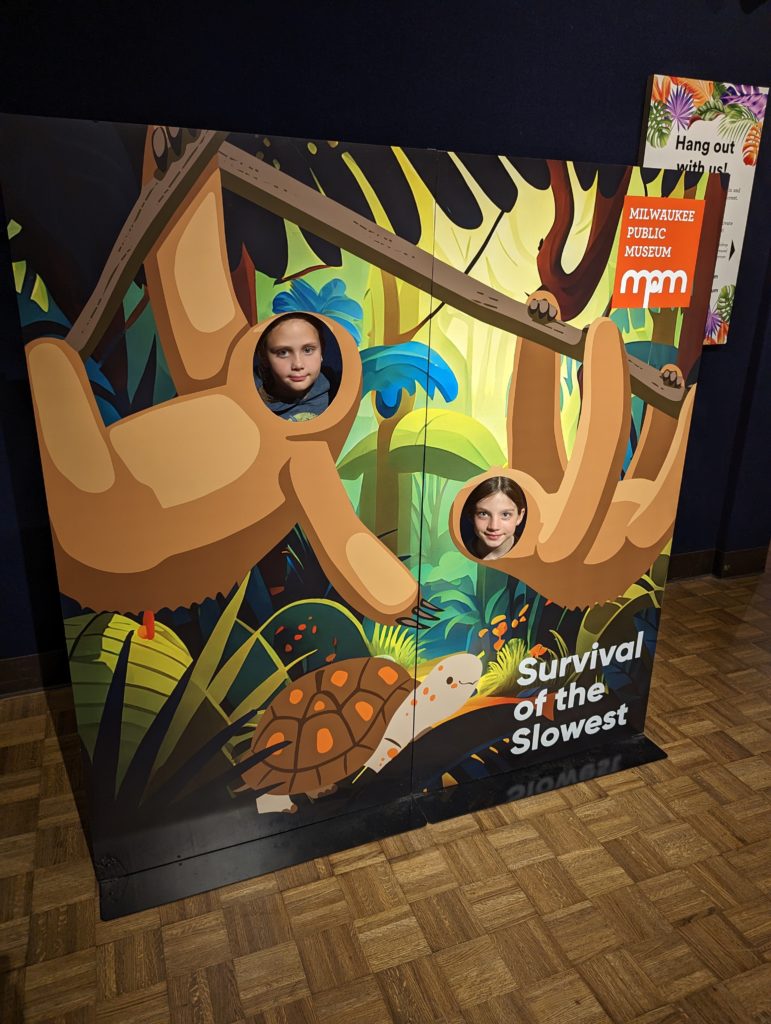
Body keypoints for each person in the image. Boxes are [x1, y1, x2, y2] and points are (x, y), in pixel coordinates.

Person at [254, 313, 335, 421]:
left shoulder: (337, 390)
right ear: (264, 357)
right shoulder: (246, 394)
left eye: (308, 350)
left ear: (321, 352)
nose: (298, 365)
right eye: (283, 352)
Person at [462, 475, 526, 561]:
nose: (494, 527)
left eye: (505, 514)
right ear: (470, 515)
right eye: (483, 514)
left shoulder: (532, 561)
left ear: (519, 516)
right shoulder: (455, 559)